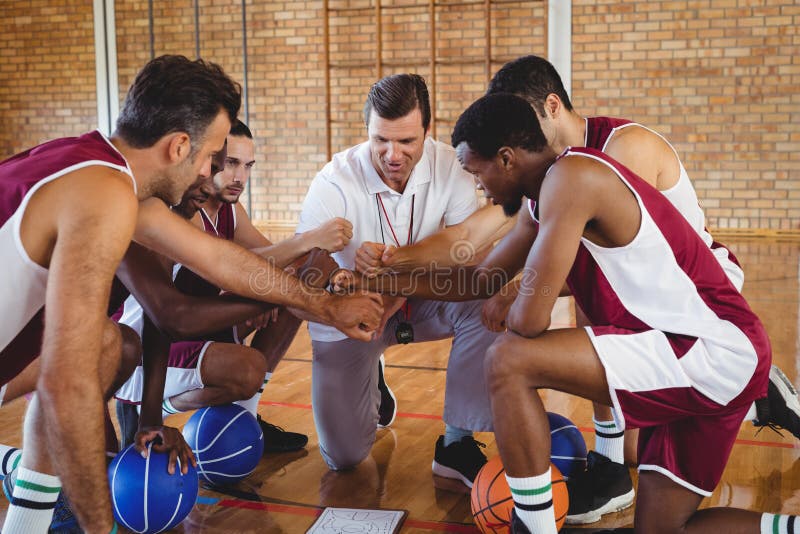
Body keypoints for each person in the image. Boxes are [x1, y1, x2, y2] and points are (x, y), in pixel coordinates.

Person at [356, 54, 800, 523]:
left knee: (508, 361)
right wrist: (390, 279)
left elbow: (529, 320)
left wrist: (515, 296)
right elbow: (480, 277)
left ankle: (534, 524)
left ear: (507, 158)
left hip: (707, 343)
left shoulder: (576, 175)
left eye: (477, 173)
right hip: (679, 341)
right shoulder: (545, 191)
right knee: (661, 529)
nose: (481, 190)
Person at [0, 54, 382, 534]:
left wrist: (323, 304)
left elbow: (221, 259)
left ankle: (27, 520)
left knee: (100, 346)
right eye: (212, 155)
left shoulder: (102, 173)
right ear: (180, 146)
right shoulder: (104, 195)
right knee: (77, 369)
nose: (210, 170)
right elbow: (66, 385)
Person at [296, 73, 497, 488]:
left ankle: (457, 444)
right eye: (380, 140)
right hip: (352, 312)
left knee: (486, 300)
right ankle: (373, 375)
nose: (392, 154)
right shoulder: (334, 178)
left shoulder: (451, 164)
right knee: (345, 458)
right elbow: (307, 263)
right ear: (367, 129)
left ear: (428, 129)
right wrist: (338, 279)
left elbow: (468, 258)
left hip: (420, 300)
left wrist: (394, 279)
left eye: (407, 141)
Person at [115, 120, 352, 454]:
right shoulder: (173, 210)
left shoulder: (227, 209)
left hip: (187, 330)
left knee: (310, 271)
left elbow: (267, 263)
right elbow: (229, 273)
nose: (239, 176)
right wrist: (305, 243)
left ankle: (245, 416)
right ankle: (151, 409)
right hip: (142, 346)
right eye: (229, 164)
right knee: (252, 358)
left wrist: (331, 275)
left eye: (248, 166)